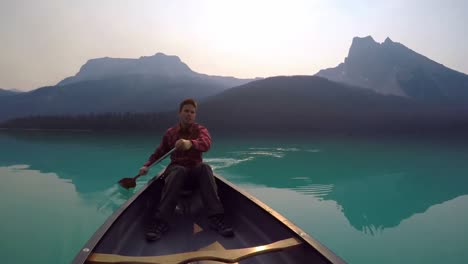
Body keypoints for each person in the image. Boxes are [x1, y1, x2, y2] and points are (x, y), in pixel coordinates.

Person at [139, 98, 234, 241]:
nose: (189, 114)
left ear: (195, 115)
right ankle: (161, 221)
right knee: (179, 171)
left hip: (194, 172)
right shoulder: (170, 133)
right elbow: (159, 153)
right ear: (179, 113)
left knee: (205, 168)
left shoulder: (200, 130)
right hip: (176, 171)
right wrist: (146, 165)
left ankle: (216, 217)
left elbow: (206, 143)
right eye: (186, 111)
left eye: (192, 112)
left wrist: (190, 143)